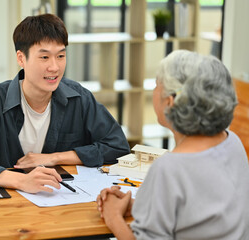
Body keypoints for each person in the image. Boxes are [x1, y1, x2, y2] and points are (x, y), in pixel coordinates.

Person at [0, 13, 130, 194]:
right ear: (21, 59)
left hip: (59, 202)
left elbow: (117, 146)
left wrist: (55, 158)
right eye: (44, 57)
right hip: (8, 206)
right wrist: (20, 180)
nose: (55, 67)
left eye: (60, 56)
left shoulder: (79, 98)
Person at [96, 50, 249, 239]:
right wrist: (142, 206)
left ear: (170, 102)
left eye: (156, 85)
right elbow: (205, 214)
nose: (153, 90)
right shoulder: (232, 142)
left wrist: (114, 218)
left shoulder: (169, 168)